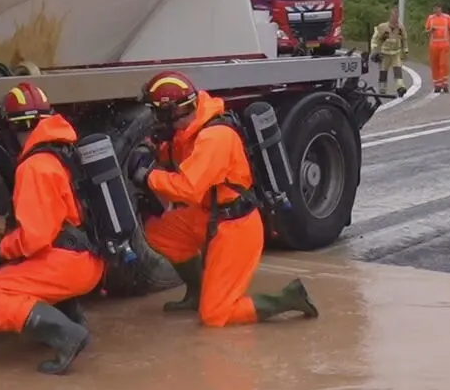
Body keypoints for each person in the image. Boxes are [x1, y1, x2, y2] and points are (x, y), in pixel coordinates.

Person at [129, 70, 318, 326]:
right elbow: (178, 161)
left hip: (235, 226)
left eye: (157, 112)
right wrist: (153, 150)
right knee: (159, 230)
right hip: (209, 214)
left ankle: (288, 298)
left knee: (215, 315)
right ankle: (197, 292)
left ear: (171, 112)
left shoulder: (215, 137)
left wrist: (148, 175)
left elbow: (188, 188)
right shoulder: (190, 129)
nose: (154, 119)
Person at [0, 81, 102, 375]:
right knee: (27, 269)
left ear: (14, 128)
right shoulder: (64, 150)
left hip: (68, 264)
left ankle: (67, 336)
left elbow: (35, 239)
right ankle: (72, 320)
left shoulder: (35, 167)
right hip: (89, 257)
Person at [370, 7, 409, 95]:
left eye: (397, 16)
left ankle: (400, 87)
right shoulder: (382, 27)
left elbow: (404, 39)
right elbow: (375, 39)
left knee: (397, 70)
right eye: (394, 16)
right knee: (383, 71)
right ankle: (382, 89)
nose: (395, 19)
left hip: (396, 53)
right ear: (390, 16)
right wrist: (374, 51)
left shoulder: (400, 28)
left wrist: (405, 51)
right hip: (384, 53)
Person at [424, 5, 450, 93]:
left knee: (444, 64)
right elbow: (426, 31)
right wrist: (430, 30)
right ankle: (437, 84)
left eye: (438, 8)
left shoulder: (447, 18)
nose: (436, 10)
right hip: (434, 45)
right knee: (435, 65)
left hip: (445, 45)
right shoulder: (431, 18)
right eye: (434, 8)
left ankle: (445, 83)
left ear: (441, 9)